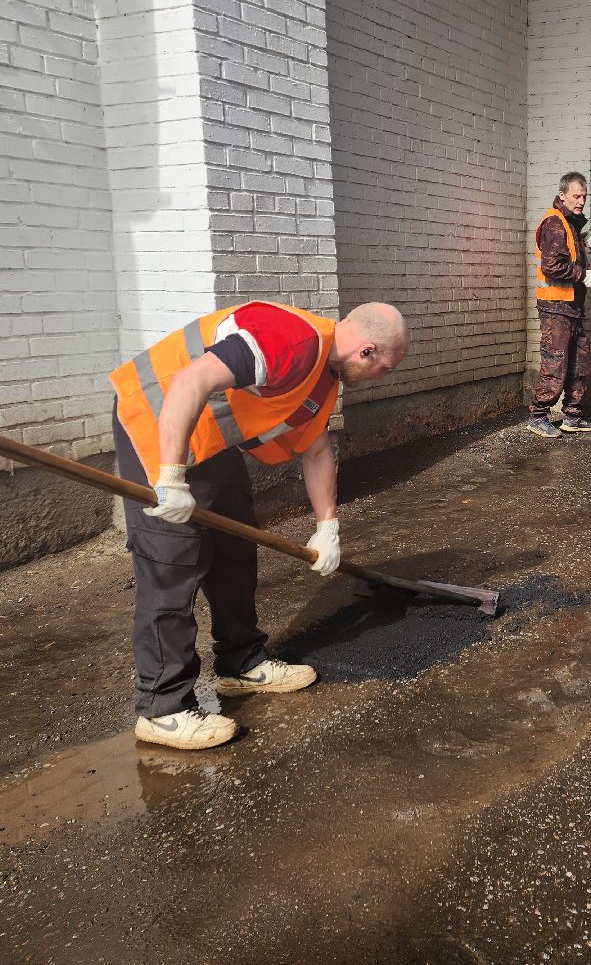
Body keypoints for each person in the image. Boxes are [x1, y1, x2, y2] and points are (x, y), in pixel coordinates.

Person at [110, 300, 409, 750]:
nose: (381, 378)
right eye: (384, 368)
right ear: (365, 351)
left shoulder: (325, 375)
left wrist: (328, 527)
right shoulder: (288, 340)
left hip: (208, 438)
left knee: (234, 547)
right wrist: (170, 475)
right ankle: (162, 707)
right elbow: (191, 380)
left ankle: (242, 663)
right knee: (171, 563)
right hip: (156, 423)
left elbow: (316, 450)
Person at [528, 171, 591, 438]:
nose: (581, 200)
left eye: (584, 196)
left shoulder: (570, 224)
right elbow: (552, 266)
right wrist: (583, 275)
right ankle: (538, 416)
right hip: (555, 306)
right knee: (555, 363)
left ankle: (572, 415)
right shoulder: (555, 223)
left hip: (571, 307)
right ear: (562, 195)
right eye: (576, 196)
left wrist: (583, 240)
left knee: (581, 362)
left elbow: (568, 255)